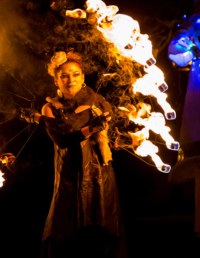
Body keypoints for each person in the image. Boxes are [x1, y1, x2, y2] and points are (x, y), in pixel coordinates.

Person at [20, 51, 126, 258]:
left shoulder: (98, 101)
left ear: (83, 77)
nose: (71, 79)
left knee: (103, 225)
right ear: (56, 80)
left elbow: (110, 126)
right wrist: (89, 129)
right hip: (70, 174)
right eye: (64, 75)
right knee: (66, 229)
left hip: (99, 173)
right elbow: (63, 138)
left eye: (76, 74)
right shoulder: (50, 108)